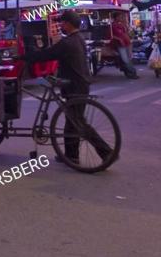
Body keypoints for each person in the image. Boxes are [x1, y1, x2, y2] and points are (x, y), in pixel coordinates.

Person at [22, 11, 114, 163]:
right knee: (71, 120)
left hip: (74, 85)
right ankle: (71, 155)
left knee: (77, 121)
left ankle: (106, 152)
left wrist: (25, 57)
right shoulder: (78, 39)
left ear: (69, 24)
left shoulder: (68, 42)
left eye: (63, 22)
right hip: (79, 83)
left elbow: (47, 54)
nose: (61, 25)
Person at [110, 12, 138, 79]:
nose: (120, 18)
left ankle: (131, 73)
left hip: (127, 43)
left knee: (129, 58)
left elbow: (127, 33)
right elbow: (111, 36)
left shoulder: (122, 25)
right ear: (115, 17)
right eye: (119, 16)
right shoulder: (112, 25)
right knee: (125, 59)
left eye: (121, 16)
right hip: (120, 44)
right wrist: (119, 39)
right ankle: (132, 72)